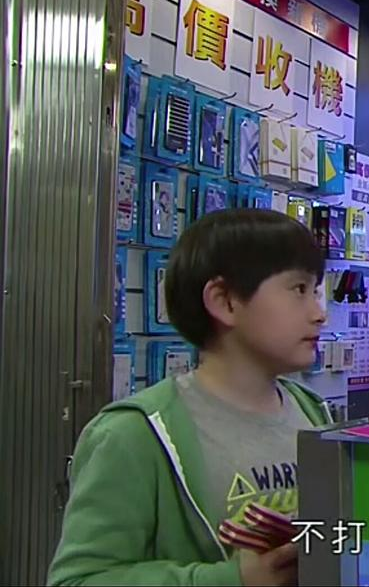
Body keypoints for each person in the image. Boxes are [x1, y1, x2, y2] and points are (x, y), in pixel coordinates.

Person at [50, 209, 333, 586]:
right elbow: (78, 580)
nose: (319, 314)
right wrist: (232, 579)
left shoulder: (313, 413)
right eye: (299, 290)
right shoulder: (134, 435)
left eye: (316, 292)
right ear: (224, 301)